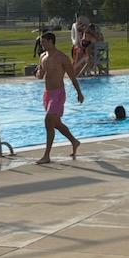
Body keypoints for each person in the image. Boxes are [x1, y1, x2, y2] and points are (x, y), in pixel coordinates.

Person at [34, 32, 84, 163]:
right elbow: (41, 75)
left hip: (58, 93)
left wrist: (79, 92)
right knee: (55, 123)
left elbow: (72, 76)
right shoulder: (42, 56)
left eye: (44, 42)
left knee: (48, 120)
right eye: (41, 43)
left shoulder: (62, 57)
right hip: (47, 94)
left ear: (51, 41)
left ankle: (46, 156)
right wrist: (37, 73)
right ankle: (74, 141)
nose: (42, 45)